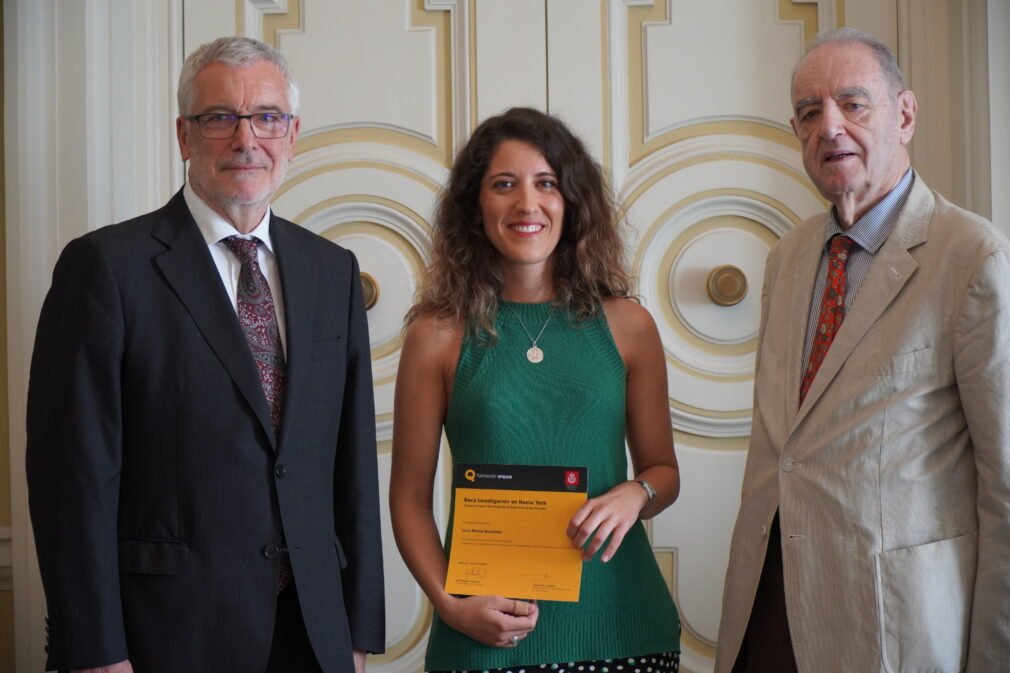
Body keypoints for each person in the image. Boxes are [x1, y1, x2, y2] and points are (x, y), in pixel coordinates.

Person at [26, 36, 384, 673]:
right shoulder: (106, 268)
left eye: (267, 117)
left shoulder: (332, 271)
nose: (247, 140)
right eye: (220, 117)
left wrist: (354, 634)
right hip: (163, 634)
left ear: (293, 134)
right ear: (184, 136)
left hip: (312, 630)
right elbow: (72, 481)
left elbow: (350, 467)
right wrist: (95, 652)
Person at [715, 28, 1010, 673]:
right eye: (810, 112)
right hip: (766, 609)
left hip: (893, 623)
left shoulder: (973, 257)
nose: (830, 127)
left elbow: (1006, 483)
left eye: (854, 104)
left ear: (905, 114)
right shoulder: (787, 258)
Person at [389, 107, 681, 673]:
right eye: (504, 185)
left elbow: (663, 472)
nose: (528, 204)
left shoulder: (627, 326)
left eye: (546, 183)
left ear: (572, 201)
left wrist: (634, 494)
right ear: (476, 206)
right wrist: (451, 605)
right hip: (485, 634)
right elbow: (407, 500)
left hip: (624, 628)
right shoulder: (437, 335)